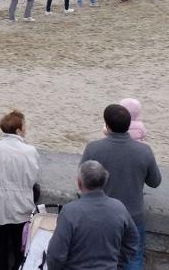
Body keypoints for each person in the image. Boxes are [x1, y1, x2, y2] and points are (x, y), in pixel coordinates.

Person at [81, 103, 162, 270]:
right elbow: (155, 182)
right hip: (133, 216)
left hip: (101, 216)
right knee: (133, 258)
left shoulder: (93, 148)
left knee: (99, 260)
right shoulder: (144, 151)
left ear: (107, 125)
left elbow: (83, 181)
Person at [45, 160, 139, 270]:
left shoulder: (69, 212)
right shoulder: (119, 208)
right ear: (104, 181)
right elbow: (132, 241)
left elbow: (56, 255)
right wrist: (118, 265)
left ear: (79, 183)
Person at [0, 110, 40, 270]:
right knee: (20, 248)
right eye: (24, 126)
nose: (26, 128)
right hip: (22, 206)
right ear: (18, 130)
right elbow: (33, 176)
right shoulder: (30, 151)